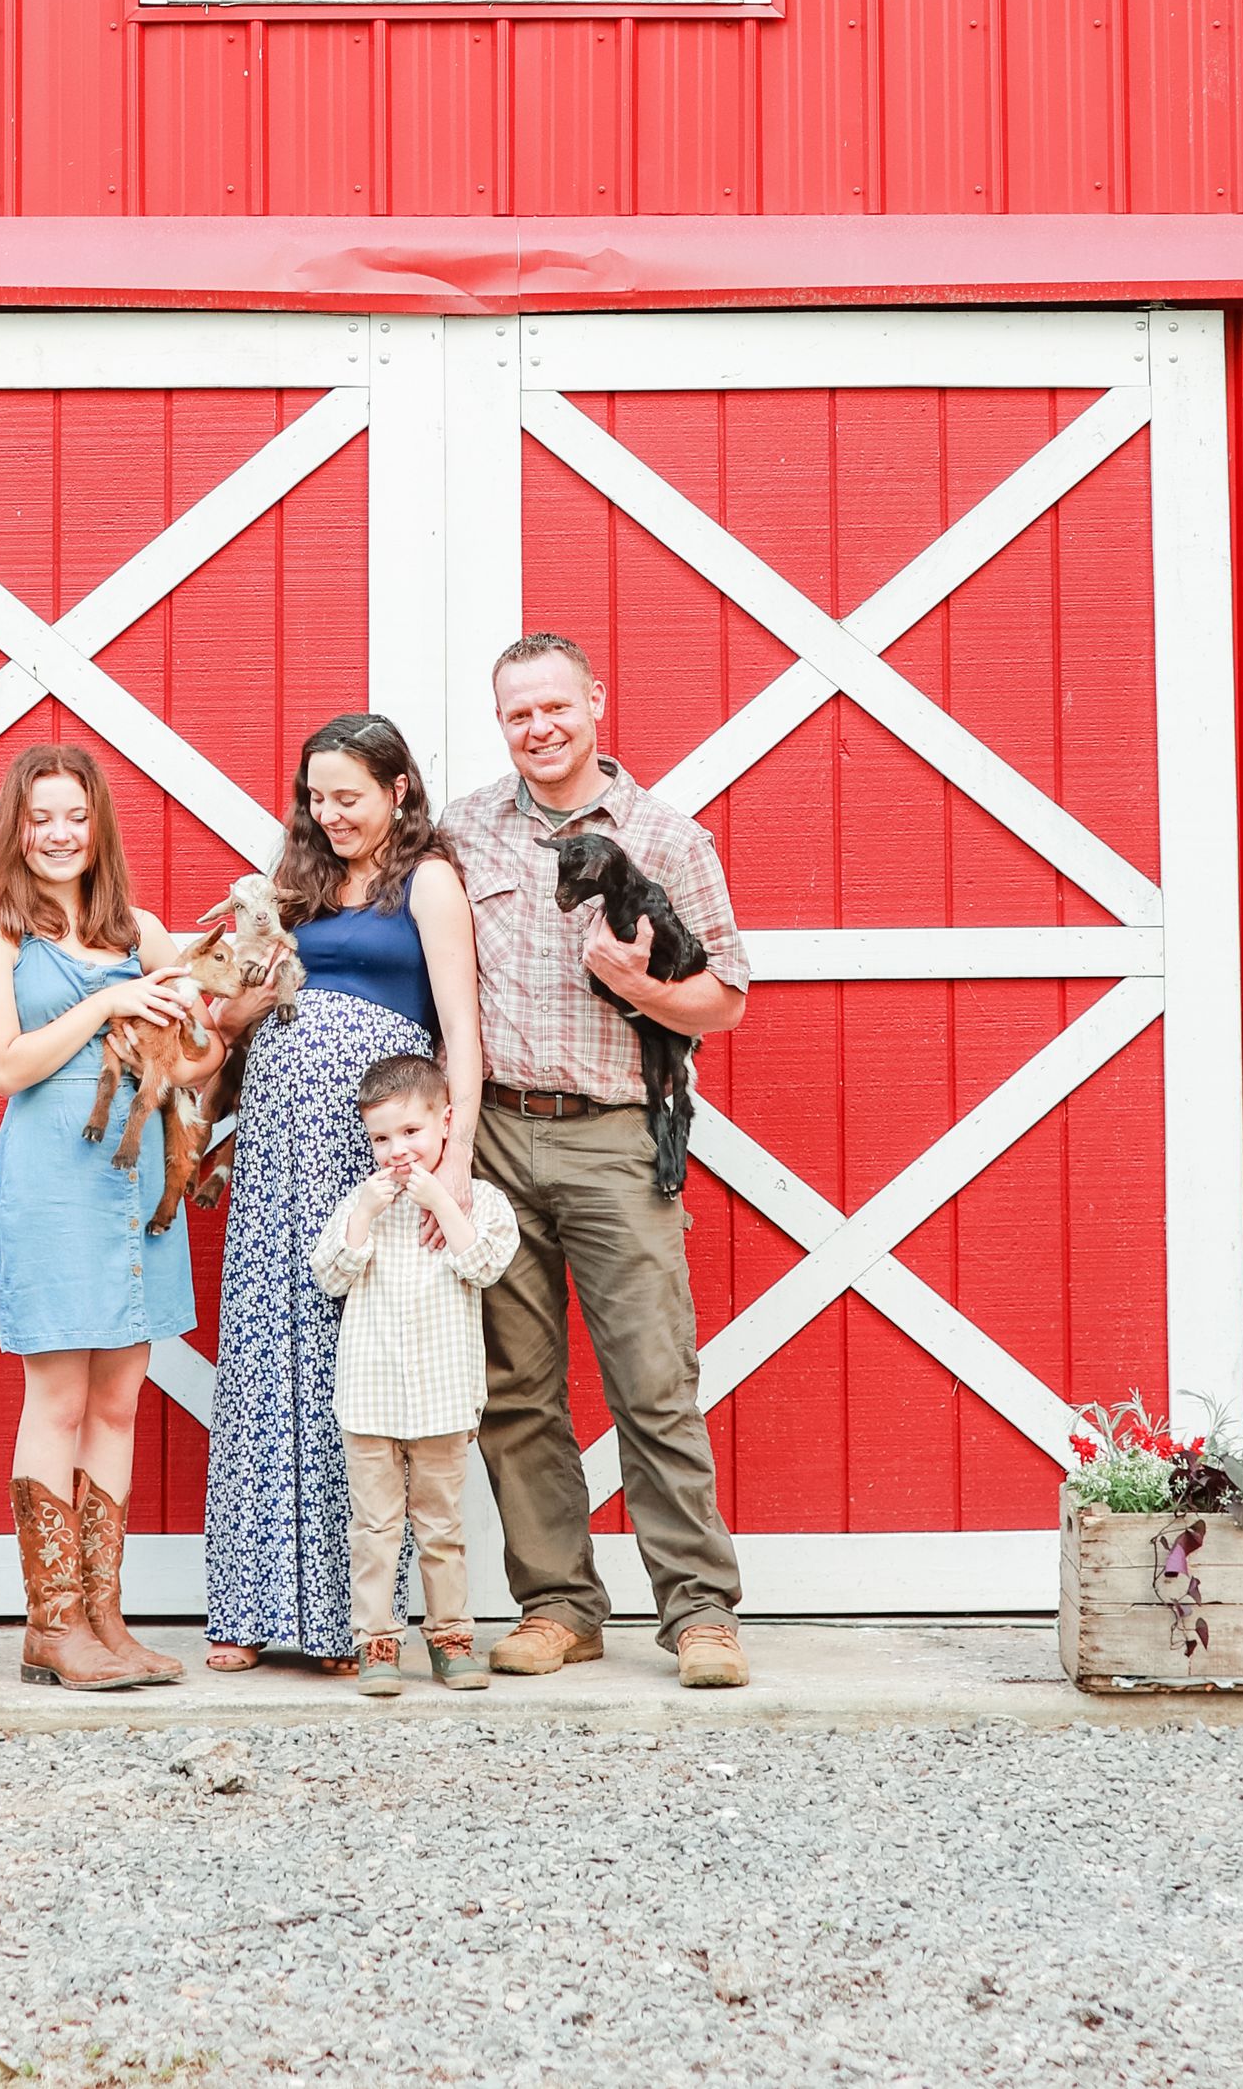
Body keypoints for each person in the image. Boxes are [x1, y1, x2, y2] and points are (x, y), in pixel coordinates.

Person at [440, 631, 753, 1690]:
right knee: (516, 1387)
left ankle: (699, 1611)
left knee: (652, 1379)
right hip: (491, 1136)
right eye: (518, 713)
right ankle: (558, 1606)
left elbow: (727, 996)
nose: (538, 728)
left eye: (554, 707)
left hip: (615, 1136)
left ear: (594, 704)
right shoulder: (463, 832)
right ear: (502, 723)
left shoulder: (668, 838)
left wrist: (641, 987)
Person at [199, 713, 483, 1672]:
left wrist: (455, 1161)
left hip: (368, 1147)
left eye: (348, 797)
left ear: (399, 789)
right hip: (277, 1140)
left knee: (349, 1367)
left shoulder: (429, 881)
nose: (329, 816)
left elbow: (462, 1033)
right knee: (260, 1350)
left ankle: (343, 1620)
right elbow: (232, 1010)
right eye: (316, 798)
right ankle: (248, 1606)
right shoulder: (295, 879)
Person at [0, 741, 201, 1693]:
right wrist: (109, 1006)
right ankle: (50, 1625)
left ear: (98, 826)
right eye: (40, 817)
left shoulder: (141, 930)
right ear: (17, 828)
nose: (59, 834)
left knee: (119, 1398)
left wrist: (193, 1019)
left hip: (139, 1180)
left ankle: (106, 1616)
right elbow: (6, 1066)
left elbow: (194, 1053)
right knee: (57, 1396)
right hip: (55, 1172)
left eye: (75, 816)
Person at [310, 1049, 518, 1696]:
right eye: (381, 1137)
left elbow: (485, 1265)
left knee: (440, 1529)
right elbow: (329, 1274)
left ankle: (452, 1639)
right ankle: (377, 1645)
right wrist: (366, 1214)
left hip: (444, 1399)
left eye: (411, 1132)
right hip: (370, 1398)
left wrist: (442, 1202)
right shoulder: (359, 1203)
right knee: (374, 1531)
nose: (397, 1149)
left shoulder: (477, 1201)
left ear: (446, 1124)